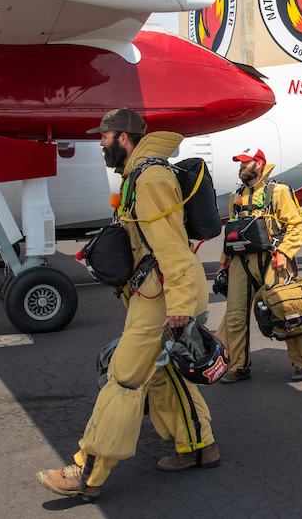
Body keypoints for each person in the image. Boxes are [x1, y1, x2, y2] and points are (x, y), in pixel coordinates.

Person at [37, 109, 218, 502]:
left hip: (164, 296)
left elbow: (171, 246)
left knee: (123, 380)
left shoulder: (149, 177)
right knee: (164, 376)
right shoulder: (139, 175)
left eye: (103, 136)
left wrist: (181, 305)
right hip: (157, 292)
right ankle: (199, 446)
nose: (99, 143)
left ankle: (87, 472)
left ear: (123, 137)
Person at [216, 148, 302, 382]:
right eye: (239, 163)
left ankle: (301, 363)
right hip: (241, 262)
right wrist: (224, 261)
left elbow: (296, 226)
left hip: (274, 260)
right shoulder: (236, 196)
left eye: (245, 162)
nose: (241, 167)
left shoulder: (280, 191)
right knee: (235, 317)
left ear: (259, 164)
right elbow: (232, 231)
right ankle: (239, 366)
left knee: (288, 310)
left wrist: (284, 251)